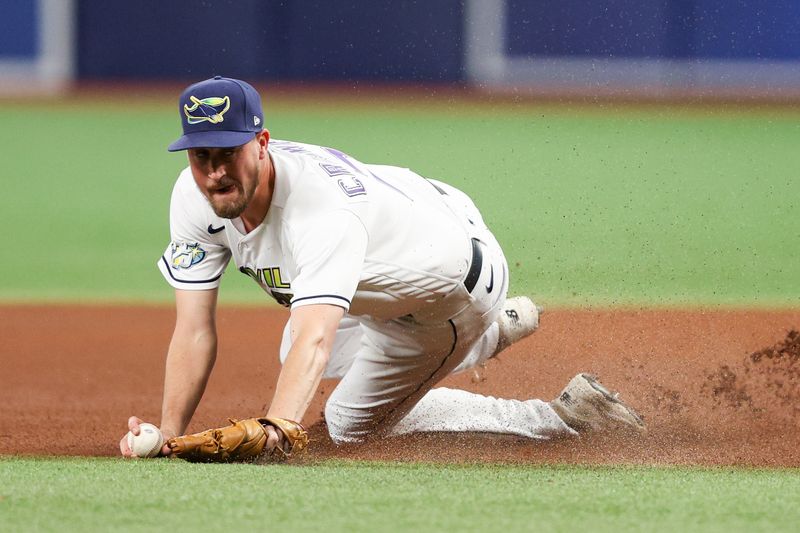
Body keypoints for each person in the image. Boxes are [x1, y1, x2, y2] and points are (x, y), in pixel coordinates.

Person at [119, 77, 644, 459]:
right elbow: (193, 329)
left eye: (228, 152)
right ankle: (493, 331)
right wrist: (168, 434)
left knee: (347, 425)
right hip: (419, 223)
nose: (213, 172)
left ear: (262, 142)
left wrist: (277, 428)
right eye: (199, 154)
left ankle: (563, 416)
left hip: (447, 292)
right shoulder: (194, 196)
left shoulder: (317, 213)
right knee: (296, 353)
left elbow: (317, 337)